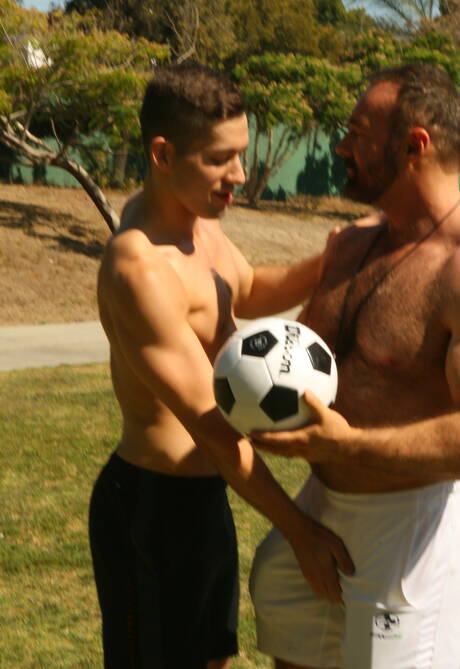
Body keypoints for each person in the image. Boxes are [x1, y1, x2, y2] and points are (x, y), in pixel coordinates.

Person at [89, 61, 353, 669]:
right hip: (151, 510)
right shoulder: (139, 267)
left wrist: (333, 259)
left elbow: (248, 289)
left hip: (206, 499)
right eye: (219, 159)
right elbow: (210, 424)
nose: (239, 174)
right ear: (162, 154)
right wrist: (300, 530)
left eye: (241, 154)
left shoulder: (197, 226)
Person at [249, 62, 460, 669]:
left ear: (415, 145)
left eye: (358, 133)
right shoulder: (348, 246)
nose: (341, 145)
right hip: (319, 510)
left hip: (410, 530)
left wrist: (351, 446)